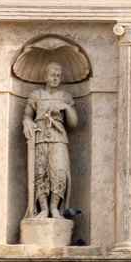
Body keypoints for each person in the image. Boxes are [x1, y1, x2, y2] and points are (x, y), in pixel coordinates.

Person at [23, 62, 77, 220]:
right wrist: (27, 121)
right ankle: (44, 209)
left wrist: (66, 108)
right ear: (45, 76)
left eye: (58, 75)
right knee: (41, 171)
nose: (55, 78)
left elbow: (73, 123)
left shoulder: (65, 97)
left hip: (58, 137)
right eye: (52, 75)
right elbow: (27, 115)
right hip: (40, 136)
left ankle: (55, 208)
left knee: (59, 171)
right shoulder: (36, 95)